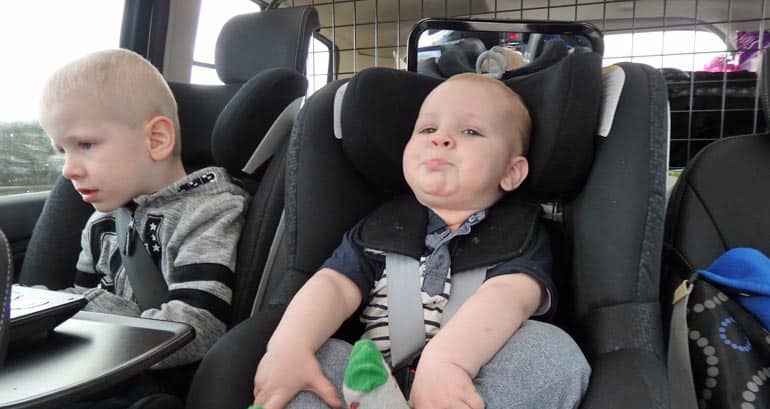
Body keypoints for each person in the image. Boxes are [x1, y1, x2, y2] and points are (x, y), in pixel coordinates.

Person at [251, 73, 590, 409]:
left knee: (552, 352)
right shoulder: (381, 228)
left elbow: (509, 297)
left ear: (511, 172)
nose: (441, 138)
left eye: (470, 131)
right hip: (371, 385)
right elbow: (334, 286)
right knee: (316, 356)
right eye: (428, 129)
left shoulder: (520, 235)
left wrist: (448, 363)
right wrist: (288, 346)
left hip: (471, 382)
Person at [38, 49, 249, 404]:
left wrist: (87, 316)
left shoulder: (210, 210)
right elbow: (85, 298)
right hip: (100, 365)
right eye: (62, 151)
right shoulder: (101, 222)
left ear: (156, 140)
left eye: (85, 145)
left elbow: (197, 327)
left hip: (154, 378)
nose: (67, 170)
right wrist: (48, 310)